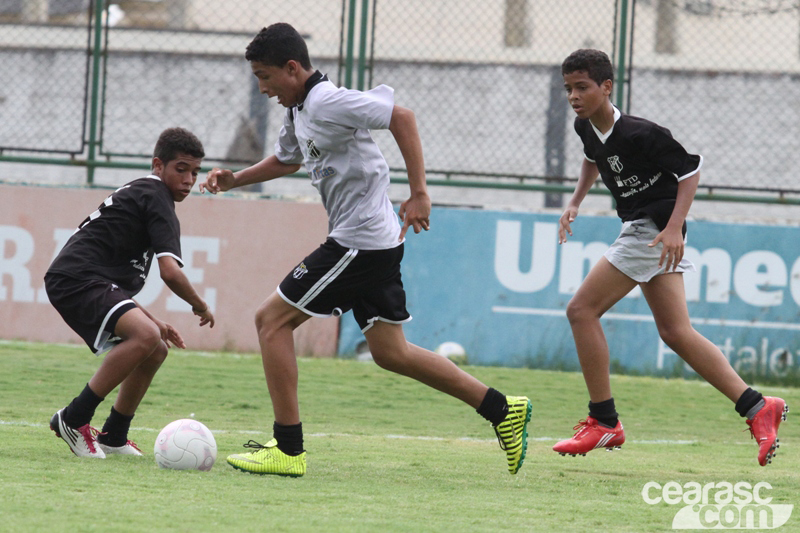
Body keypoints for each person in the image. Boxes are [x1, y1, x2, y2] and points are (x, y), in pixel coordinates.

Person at [200, 22, 531, 477]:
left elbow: (403, 117)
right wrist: (236, 178)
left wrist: (419, 193)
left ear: (293, 68)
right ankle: (501, 409)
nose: (262, 88)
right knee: (391, 353)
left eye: (265, 76)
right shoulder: (298, 110)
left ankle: (288, 448)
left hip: (360, 243)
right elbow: (288, 159)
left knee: (270, 321)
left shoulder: (327, 100)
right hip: (372, 241)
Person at [554, 49, 787, 466]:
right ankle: (756, 406)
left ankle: (604, 420)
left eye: (582, 87)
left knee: (581, 310)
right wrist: (574, 202)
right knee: (677, 333)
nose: (573, 95)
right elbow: (593, 159)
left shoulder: (641, 133)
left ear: (607, 87)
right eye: (569, 88)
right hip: (648, 231)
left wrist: (675, 226)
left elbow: (690, 171)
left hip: (654, 228)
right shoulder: (585, 126)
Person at [46, 127, 216, 459]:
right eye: (180, 169)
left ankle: (114, 434)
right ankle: (73, 418)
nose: (189, 179)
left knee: (155, 347)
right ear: (158, 165)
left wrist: (154, 321)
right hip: (78, 277)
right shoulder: (157, 197)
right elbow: (170, 272)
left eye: (194, 172)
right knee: (144, 335)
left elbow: (113, 278)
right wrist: (200, 306)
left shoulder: (146, 195)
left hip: (82, 276)